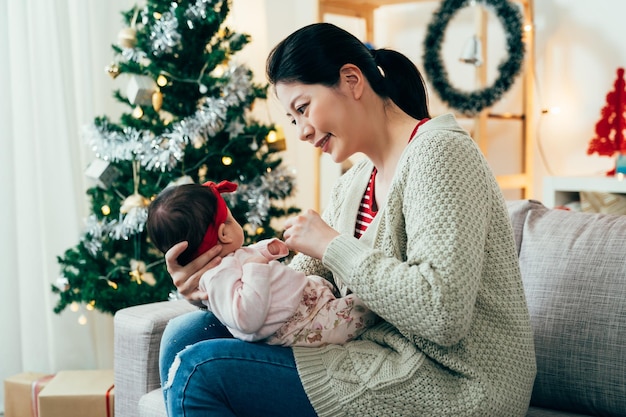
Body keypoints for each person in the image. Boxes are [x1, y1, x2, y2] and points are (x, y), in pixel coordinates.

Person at [158, 22, 537, 417]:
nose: (302, 132)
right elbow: (302, 293)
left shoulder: (440, 154)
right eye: (292, 119)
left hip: (454, 381)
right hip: (373, 352)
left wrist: (331, 245)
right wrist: (214, 284)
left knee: (199, 371)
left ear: (352, 80)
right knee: (183, 335)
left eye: (303, 108)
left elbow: (442, 313)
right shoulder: (354, 182)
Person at [146, 180, 378, 347]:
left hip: (303, 305)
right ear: (224, 233)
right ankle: (378, 296)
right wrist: (257, 266)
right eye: (230, 216)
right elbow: (246, 318)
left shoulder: (227, 261)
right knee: (363, 308)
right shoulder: (217, 276)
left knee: (322, 287)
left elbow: (243, 260)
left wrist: (267, 250)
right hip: (302, 325)